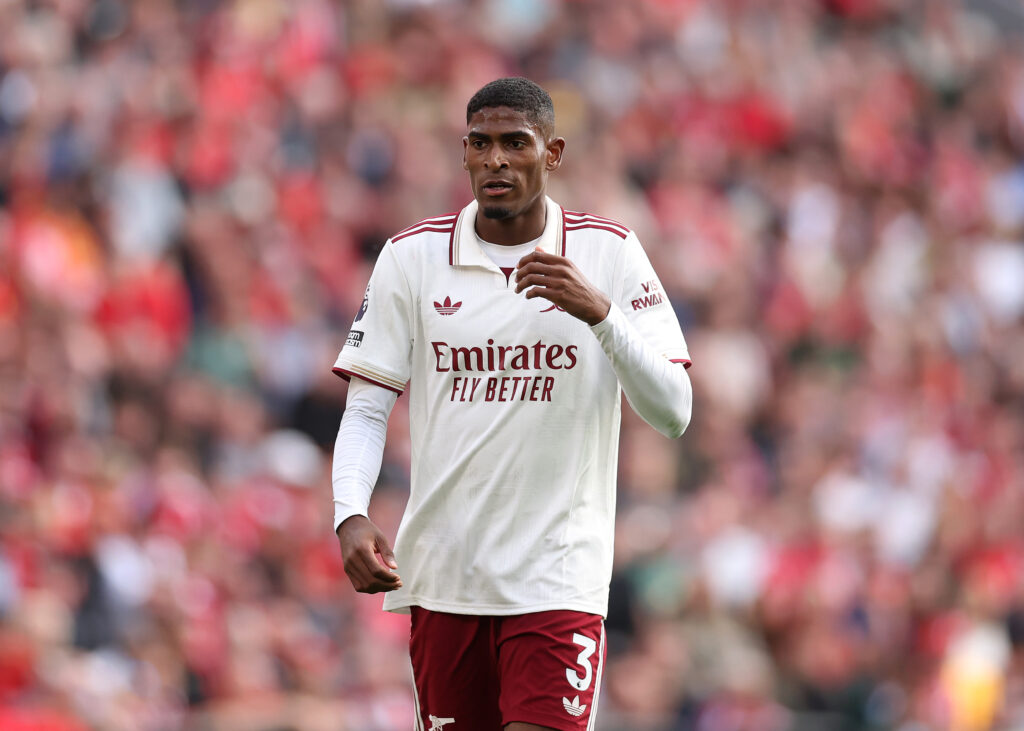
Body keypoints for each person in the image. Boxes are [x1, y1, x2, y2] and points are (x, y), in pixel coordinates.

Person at [331, 77, 693, 731]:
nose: (496, 159)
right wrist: (349, 511)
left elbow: (674, 410)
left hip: (558, 579)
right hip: (444, 576)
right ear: (464, 153)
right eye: (481, 143)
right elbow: (366, 406)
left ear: (551, 154)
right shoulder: (410, 259)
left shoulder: (607, 252)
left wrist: (603, 317)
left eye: (515, 143)